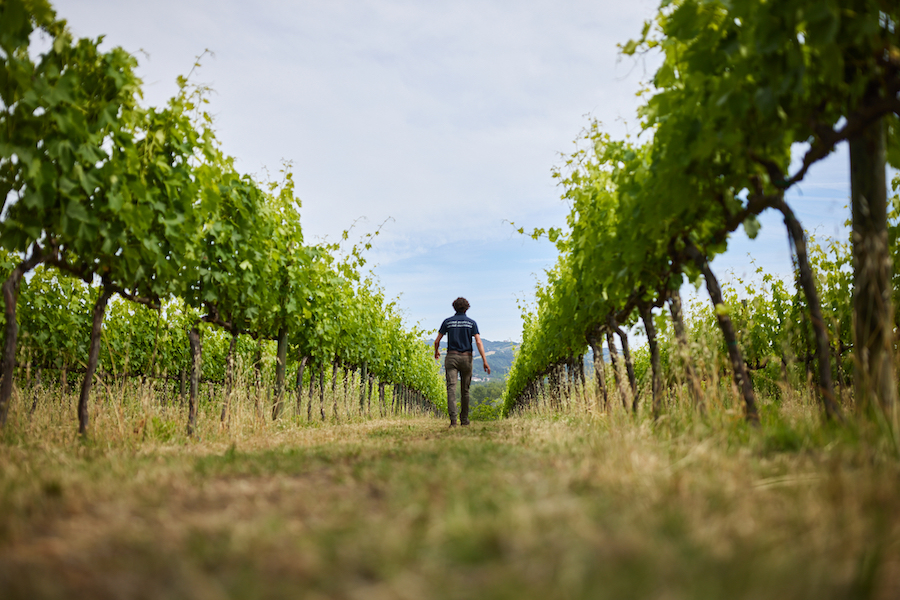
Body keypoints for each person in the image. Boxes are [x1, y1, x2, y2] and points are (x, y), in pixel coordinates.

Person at [433, 297, 490, 427]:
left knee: (451, 389)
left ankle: (453, 421)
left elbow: (437, 341)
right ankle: (464, 420)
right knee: (465, 390)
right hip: (467, 358)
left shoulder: (447, 322)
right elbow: (479, 341)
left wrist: (436, 352)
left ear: (454, 307)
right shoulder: (471, 323)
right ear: (467, 308)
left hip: (451, 357)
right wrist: (484, 361)